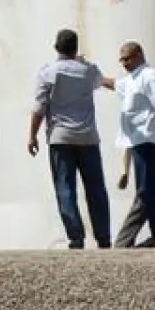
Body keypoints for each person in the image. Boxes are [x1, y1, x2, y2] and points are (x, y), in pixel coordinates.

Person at [28, 28, 111, 249]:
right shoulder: (88, 70)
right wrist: (82, 61)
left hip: (60, 137)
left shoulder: (47, 72)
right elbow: (99, 81)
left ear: (56, 47)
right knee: (96, 188)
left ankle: (76, 237)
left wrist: (32, 136)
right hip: (88, 137)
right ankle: (103, 236)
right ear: (76, 48)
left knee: (65, 188)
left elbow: (39, 108)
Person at [101, 41, 155, 247]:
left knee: (146, 191)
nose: (124, 63)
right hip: (139, 141)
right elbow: (113, 83)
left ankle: (124, 241)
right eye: (122, 60)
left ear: (139, 55)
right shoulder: (132, 79)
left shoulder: (149, 76)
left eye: (128, 58)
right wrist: (92, 73)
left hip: (149, 139)